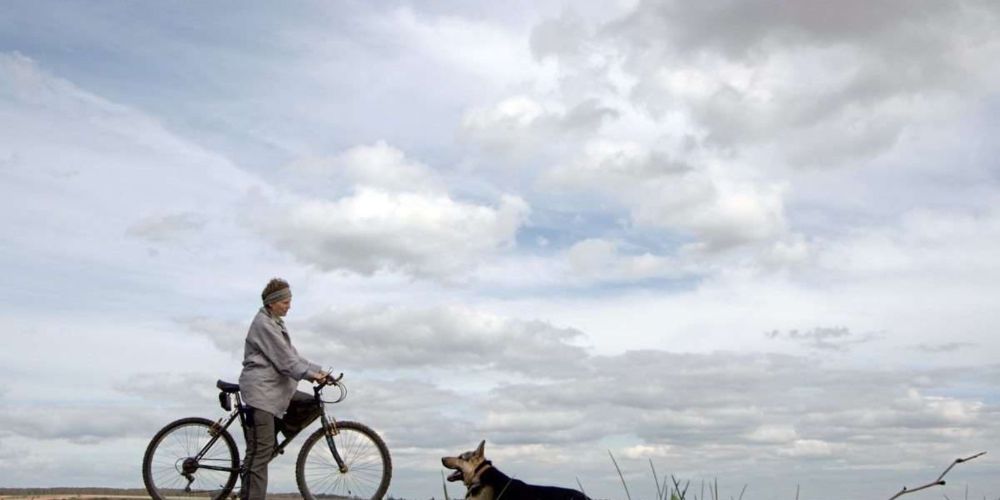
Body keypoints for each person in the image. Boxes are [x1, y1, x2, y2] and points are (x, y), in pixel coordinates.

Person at [238, 277, 330, 500]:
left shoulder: (275, 322)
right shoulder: (264, 325)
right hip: (262, 393)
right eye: (286, 302)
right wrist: (311, 376)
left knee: (309, 404)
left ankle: (269, 440)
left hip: (274, 391)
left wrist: (320, 371)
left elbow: (293, 356)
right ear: (272, 303)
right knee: (260, 455)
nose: (290, 306)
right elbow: (285, 361)